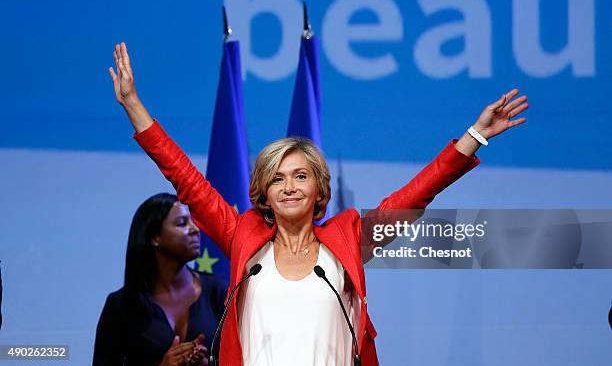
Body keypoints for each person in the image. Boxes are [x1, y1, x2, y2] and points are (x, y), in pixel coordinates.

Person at [108, 42, 528, 365]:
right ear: (264, 195)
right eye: (276, 179)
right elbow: (185, 178)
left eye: (300, 176)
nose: (288, 187)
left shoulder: (348, 237)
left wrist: (475, 135)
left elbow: (414, 196)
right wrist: (133, 105)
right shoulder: (242, 237)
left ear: (318, 190)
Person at [93, 193, 228, 366]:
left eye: (192, 221)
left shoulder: (218, 291)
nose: (195, 229)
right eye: (182, 223)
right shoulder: (121, 304)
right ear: (154, 238)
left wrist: (206, 363)